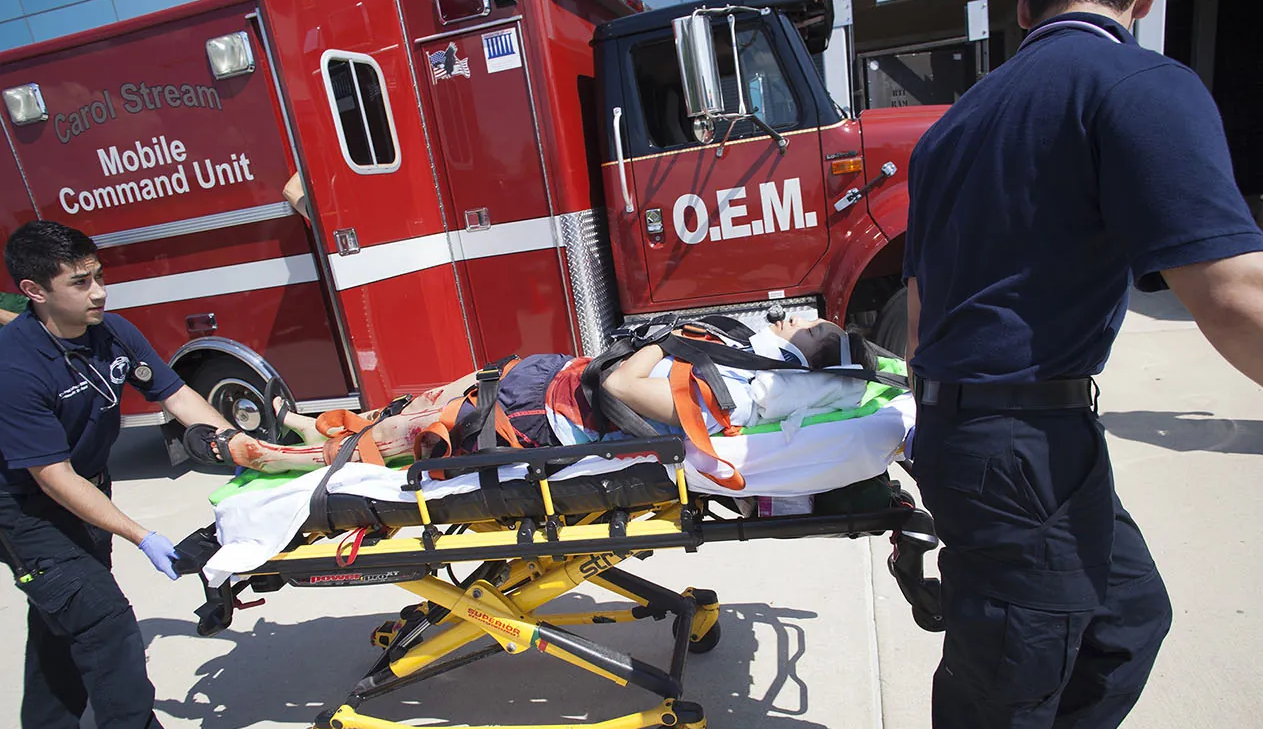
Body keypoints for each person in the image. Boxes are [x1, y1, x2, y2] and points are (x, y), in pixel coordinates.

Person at [902, 0, 1263, 729]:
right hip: (1017, 441)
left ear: (1021, 5)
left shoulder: (950, 129)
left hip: (998, 429)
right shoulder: (1136, 86)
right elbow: (1238, 294)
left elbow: (920, 310)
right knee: (1007, 683)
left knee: (1124, 621)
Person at [0, 221, 243, 729]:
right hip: (26, 511)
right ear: (33, 290)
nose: (99, 292)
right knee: (105, 626)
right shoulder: (15, 367)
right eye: (80, 282)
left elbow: (175, 395)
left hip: (85, 491)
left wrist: (235, 442)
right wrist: (139, 533)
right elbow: (51, 476)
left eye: (99, 276)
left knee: (63, 621)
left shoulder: (110, 333)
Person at [189, 316, 872, 473]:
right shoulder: (740, 360)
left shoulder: (733, 391)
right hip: (543, 379)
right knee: (424, 398)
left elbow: (619, 386)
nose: (787, 317)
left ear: (802, 351)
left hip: (541, 418)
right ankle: (318, 426)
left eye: (803, 324)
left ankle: (293, 460)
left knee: (427, 426)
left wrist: (670, 340)